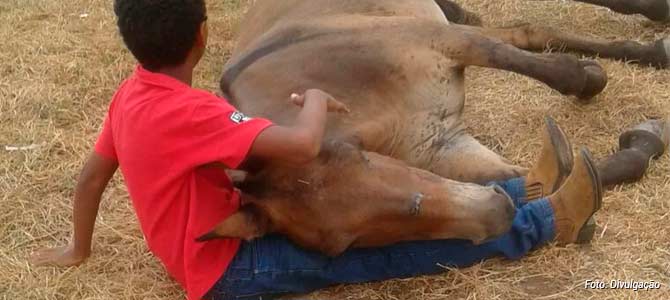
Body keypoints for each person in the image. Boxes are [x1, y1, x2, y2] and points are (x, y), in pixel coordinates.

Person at [30, 1, 603, 300]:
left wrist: (78, 248)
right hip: (234, 269)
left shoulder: (129, 97)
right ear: (204, 35)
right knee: (380, 255)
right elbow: (303, 145)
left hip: (200, 250)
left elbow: (89, 181)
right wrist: (318, 102)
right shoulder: (194, 111)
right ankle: (544, 224)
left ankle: (513, 187)